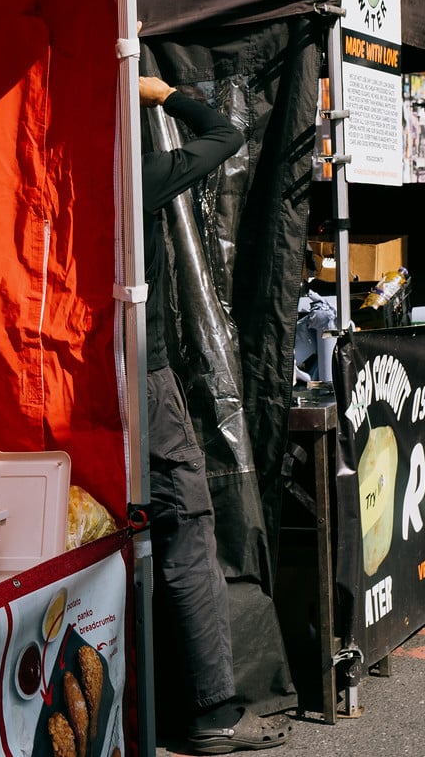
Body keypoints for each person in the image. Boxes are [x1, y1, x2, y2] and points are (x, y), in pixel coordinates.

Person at [138, 74, 287, 754]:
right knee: (188, 525)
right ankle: (211, 712)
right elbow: (227, 132)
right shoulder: (129, 174)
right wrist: (162, 89)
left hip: (53, 376)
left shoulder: (42, 170)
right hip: (140, 374)